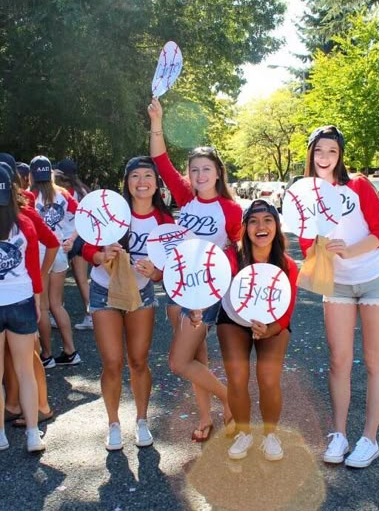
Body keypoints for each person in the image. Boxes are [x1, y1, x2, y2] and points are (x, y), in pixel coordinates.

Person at [300, 125, 379, 468]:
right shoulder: (303, 194)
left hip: (373, 277)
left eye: (332, 151)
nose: (325, 158)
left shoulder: (357, 185)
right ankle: (339, 434)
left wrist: (350, 250)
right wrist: (317, 249)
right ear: (310, 154)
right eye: (319, 151)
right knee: (339, 359)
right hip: (337, 283)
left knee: (374, 360)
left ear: (340, 155)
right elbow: (306, 245)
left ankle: (369, 438)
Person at [148, 97, 240, 442]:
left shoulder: (230, 209)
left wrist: (216, 286)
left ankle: (232, 400)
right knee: (195, 357)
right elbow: (160, 159)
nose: (199, 175)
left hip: (205, 292)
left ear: (218, 172)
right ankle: (206, 419)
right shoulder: (185, 198)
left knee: (178, 361)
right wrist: (157, 121)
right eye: (194, 170)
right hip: (176, 286)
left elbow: (236, 252)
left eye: (206, 169)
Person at [82, 156, 174, 451]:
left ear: (157, 183)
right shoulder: (111, 209)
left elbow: (170, 270)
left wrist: (157, 273)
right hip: (103, 292)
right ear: (127, 182)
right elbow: (83, 244)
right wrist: (99, 255)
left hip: (142, 294)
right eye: (135, 176)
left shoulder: (165, 221)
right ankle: (113, 423)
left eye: (148, 176)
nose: (142, 182)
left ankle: (142, 419)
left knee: (138, 361)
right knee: (112, 362)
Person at [216, 199, 298, 461]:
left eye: (267, 220)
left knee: (268, 377)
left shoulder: (287, 265)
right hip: (233, 319)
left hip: (273, 323)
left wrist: (270, 329)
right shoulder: (231, 257)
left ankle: (270, 435)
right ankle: (244, 433)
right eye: (253, 221)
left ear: (276, 226)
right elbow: (209, 284)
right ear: (245, 228)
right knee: (237, 376)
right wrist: (196, 307)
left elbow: (286, 314)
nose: (260, 226)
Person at [0, 160, 58, 429]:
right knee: (19, 360)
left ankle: (41, 406)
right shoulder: (23, 212)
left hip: (22, 295)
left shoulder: (25, 214)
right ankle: (14, 405)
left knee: (28, 358)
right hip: (23, 296)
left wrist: (40, 278)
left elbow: (51, 243)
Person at [29, 155, 81, 368]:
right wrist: (72, 238)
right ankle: (70, 351)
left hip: (38, 253)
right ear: (51, 173)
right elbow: (84, 215)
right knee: (56, 304)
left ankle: (47, 355)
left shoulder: (29, 196)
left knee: (42, 306)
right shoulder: (63, 194)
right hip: (59, 251)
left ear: (31, 175)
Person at [54, 161, 92, 330]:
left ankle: (56, 313)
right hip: (82, 236)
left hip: (66, 239)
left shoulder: (62, 192)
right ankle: (91, 315)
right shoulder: (83, 190)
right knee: (82, 280)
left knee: (58, 278)